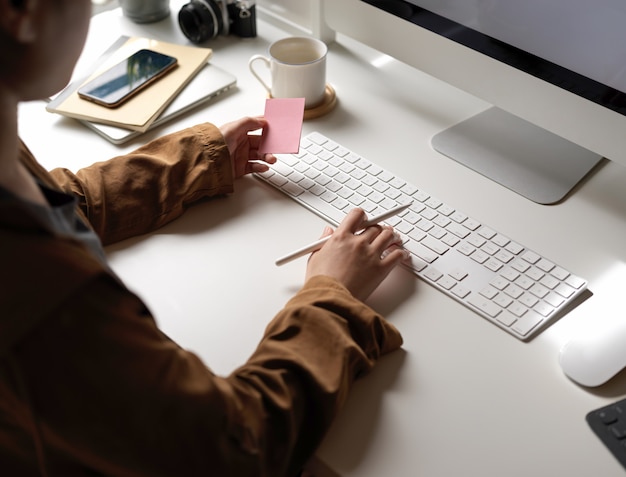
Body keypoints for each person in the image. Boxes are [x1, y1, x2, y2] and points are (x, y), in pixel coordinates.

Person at [0, 1, 409, 476]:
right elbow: (236, 448)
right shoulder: (48, 299)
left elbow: (59, 199)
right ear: (20, 12)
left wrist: (197, 159)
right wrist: (332, 296)